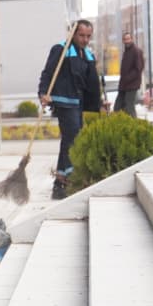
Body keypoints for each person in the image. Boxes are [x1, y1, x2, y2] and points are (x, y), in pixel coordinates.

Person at [38, 19, 106, 200]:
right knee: (73, 137)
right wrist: (43, 93)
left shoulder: (87, 55)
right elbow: (48, 72)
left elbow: (90, 84)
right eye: (82, 35)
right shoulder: (60, 49)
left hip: (78, 102)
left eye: (88, 36)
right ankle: (68, 178)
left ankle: (60, 182)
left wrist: (98, 102)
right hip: (63, 101)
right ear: (73, 34)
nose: (85, 39)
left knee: (70, 139)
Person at [114, 30, 144, 116]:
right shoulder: (126, 52)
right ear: (123, 41)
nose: (127, 41)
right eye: (125, 39)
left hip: (132, 85)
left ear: (132, 39)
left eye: (128, 39)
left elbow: (138, 69)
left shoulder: (136, 51)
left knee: (129, 107)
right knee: (118, 107)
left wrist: (128, 78)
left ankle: (134, 126)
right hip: (123, 85)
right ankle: (120, 126)